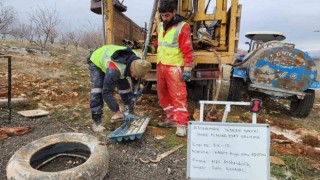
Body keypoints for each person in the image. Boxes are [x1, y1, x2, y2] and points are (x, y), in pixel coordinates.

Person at [146, 0, 194, 137]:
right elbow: (158, 42)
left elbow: (188, 49)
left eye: (167, 15)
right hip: (161, 65)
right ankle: (171, 118)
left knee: (178, 96)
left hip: (175, 67)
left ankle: (182, 124)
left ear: (174, 12)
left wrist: (188, 69)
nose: (164, 18)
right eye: (162, 16)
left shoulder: (183, 26)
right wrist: (151, 47)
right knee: (162, 94)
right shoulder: (161, 25)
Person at [87, 45, 152, 132]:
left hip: (118, 63)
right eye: (135, 76)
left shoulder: (139, 61)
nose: (136, 78)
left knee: (125, 88)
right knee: (98, 89)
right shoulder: (115, 69)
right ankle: (96, 121)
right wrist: (117, 111)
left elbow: (133, 81)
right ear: (131, 69)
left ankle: (129, 111)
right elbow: (106, 93)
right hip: (96, 61)